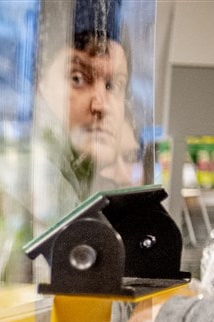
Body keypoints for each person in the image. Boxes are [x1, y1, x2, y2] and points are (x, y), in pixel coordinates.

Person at [32, 0, 132, 228]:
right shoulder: (23, 188)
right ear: (39, 84)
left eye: (113, 85)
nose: (100, 105)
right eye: (78, 78)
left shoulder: (113, 197)